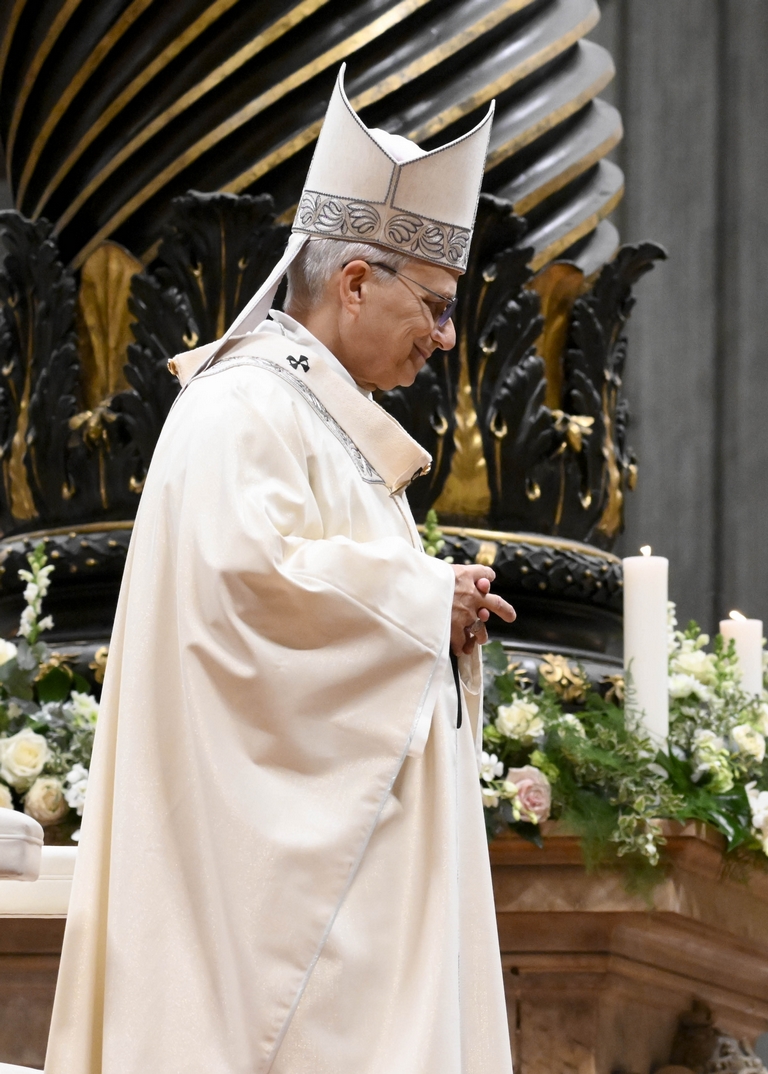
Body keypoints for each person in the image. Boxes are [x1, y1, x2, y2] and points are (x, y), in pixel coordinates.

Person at [44, 69, 516, 1072]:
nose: (442, 337)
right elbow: (250, 601)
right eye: (431, 305)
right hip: (288, 943)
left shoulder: (320, 425)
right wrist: (424, 598)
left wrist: (433, 615)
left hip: (368, 899)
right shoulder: (240, 410)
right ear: (353, 282)